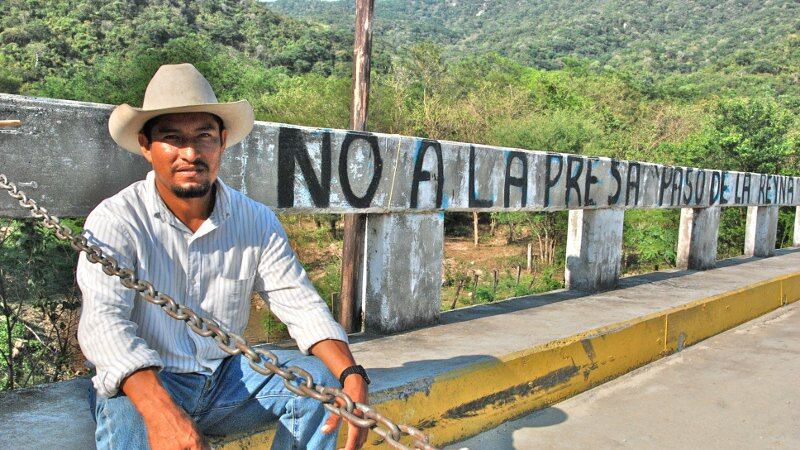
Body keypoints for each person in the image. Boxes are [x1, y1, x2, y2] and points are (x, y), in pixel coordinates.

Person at [77, 63, 370, 450]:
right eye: (171, 138)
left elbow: (300, 303)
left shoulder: (256, 220)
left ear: (223, 141)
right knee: (129, 409)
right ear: (146, 145)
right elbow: (104, 323)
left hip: (228, 379)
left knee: (322, 385)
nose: (190, 153)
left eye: (204, 136)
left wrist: (352, 373)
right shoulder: (116, 220)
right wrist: (162, 413)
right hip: (149, 380)